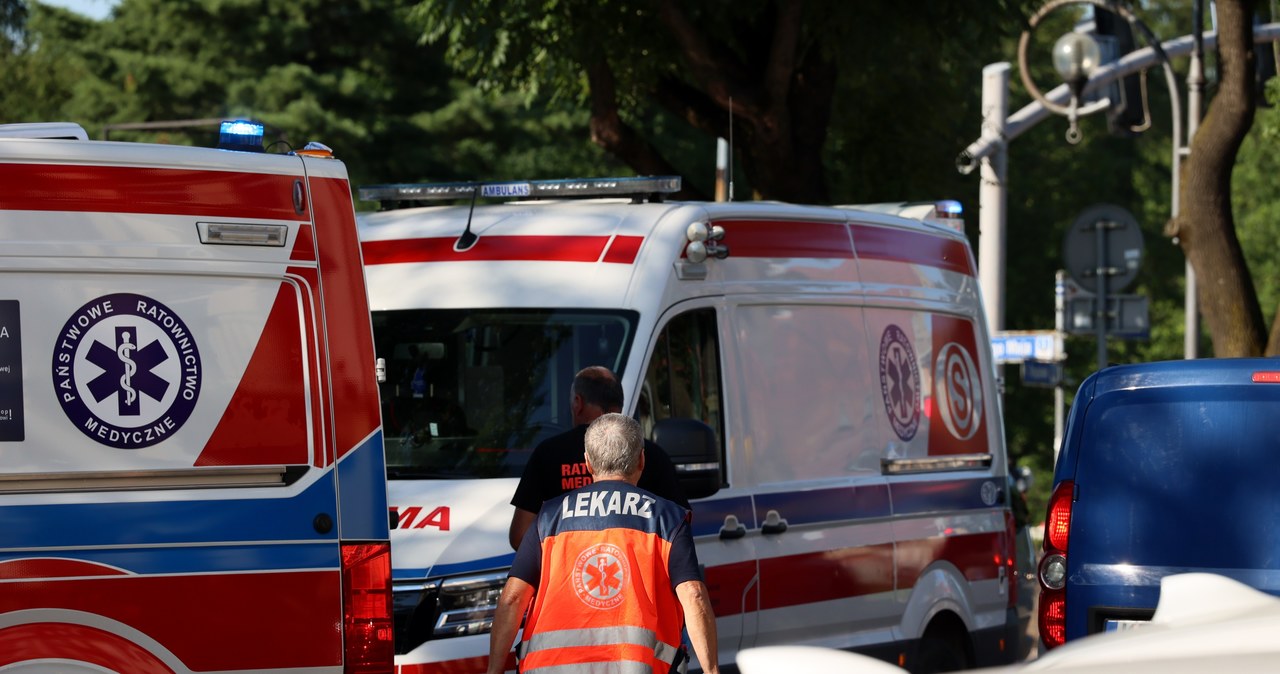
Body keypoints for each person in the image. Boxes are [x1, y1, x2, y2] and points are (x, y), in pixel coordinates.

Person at [486, 413, 719, 674]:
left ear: (587, 463)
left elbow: (512, 598)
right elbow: (694, 595)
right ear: (641, 460)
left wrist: (493, 670)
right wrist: (711, 671)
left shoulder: (549, 518)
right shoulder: (667, 518)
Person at [508, 365, 688, 550]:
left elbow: (520, 537)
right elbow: (679, 530)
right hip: (637, 575)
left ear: (578, 403)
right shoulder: (652, 455)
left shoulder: (547, 454)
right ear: (620, 404)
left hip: (567, 576)